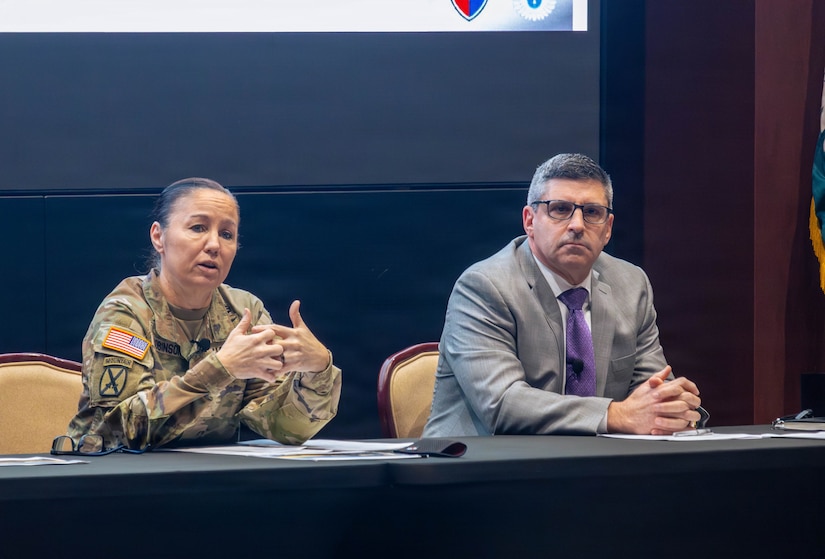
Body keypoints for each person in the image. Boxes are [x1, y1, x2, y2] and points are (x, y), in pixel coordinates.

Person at [423, 153, 702, 437]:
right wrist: (615, 414)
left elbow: (652, 389)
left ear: (608, 229)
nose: (577, 225)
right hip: (483, 458)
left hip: (598, 460)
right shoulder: (484, 287)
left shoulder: (630, 284)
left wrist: (672, 409)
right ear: (529, 220)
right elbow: (502, 403)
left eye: (591, 212)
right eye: (560, 209)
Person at [66, 178, 342, 451]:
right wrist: (221, 368)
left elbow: (280, 427)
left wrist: (318, 369)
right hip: (116, 473)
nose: (214, 245)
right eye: (198, 228)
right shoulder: (126, 311)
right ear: (159, 237)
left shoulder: (243, 311)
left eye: (227, 234)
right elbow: (115, 431)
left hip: (209, 474)